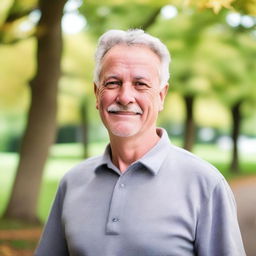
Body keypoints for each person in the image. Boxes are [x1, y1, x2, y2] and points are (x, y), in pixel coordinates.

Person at [35, 29, 246, 256]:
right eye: (113, 82)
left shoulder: (206, 184)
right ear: (97, 94)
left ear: (161, 96)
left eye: (141, 84)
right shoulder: (73, 182)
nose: (125, 96)